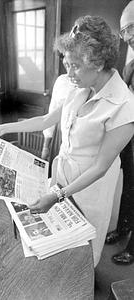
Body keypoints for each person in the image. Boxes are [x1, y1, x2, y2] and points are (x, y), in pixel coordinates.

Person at [0, 15, 134, 267]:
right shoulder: (80, 86)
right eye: (67, 64)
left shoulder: (124, 105)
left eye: (74, 65)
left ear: (97, 63)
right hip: (62, 173)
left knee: (85, 246)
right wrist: (3, 128)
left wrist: (58, 195)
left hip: (90, 186)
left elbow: (100, 167)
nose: (69, 73)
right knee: (59, 242)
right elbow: (46, 120)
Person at [105, 0, 134, 265]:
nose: (129, 36)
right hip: (130, 142)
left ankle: (133, 248)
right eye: (125, 30)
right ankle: (123, 228)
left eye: (133, 27)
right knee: (128, 188)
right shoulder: (129, 67)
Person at [41, 74, 73, 176]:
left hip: (76, 138)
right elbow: (51, 113)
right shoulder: (62, 80)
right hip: (59, 134)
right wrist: (46, 146)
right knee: (55, 174)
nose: (70, 72)